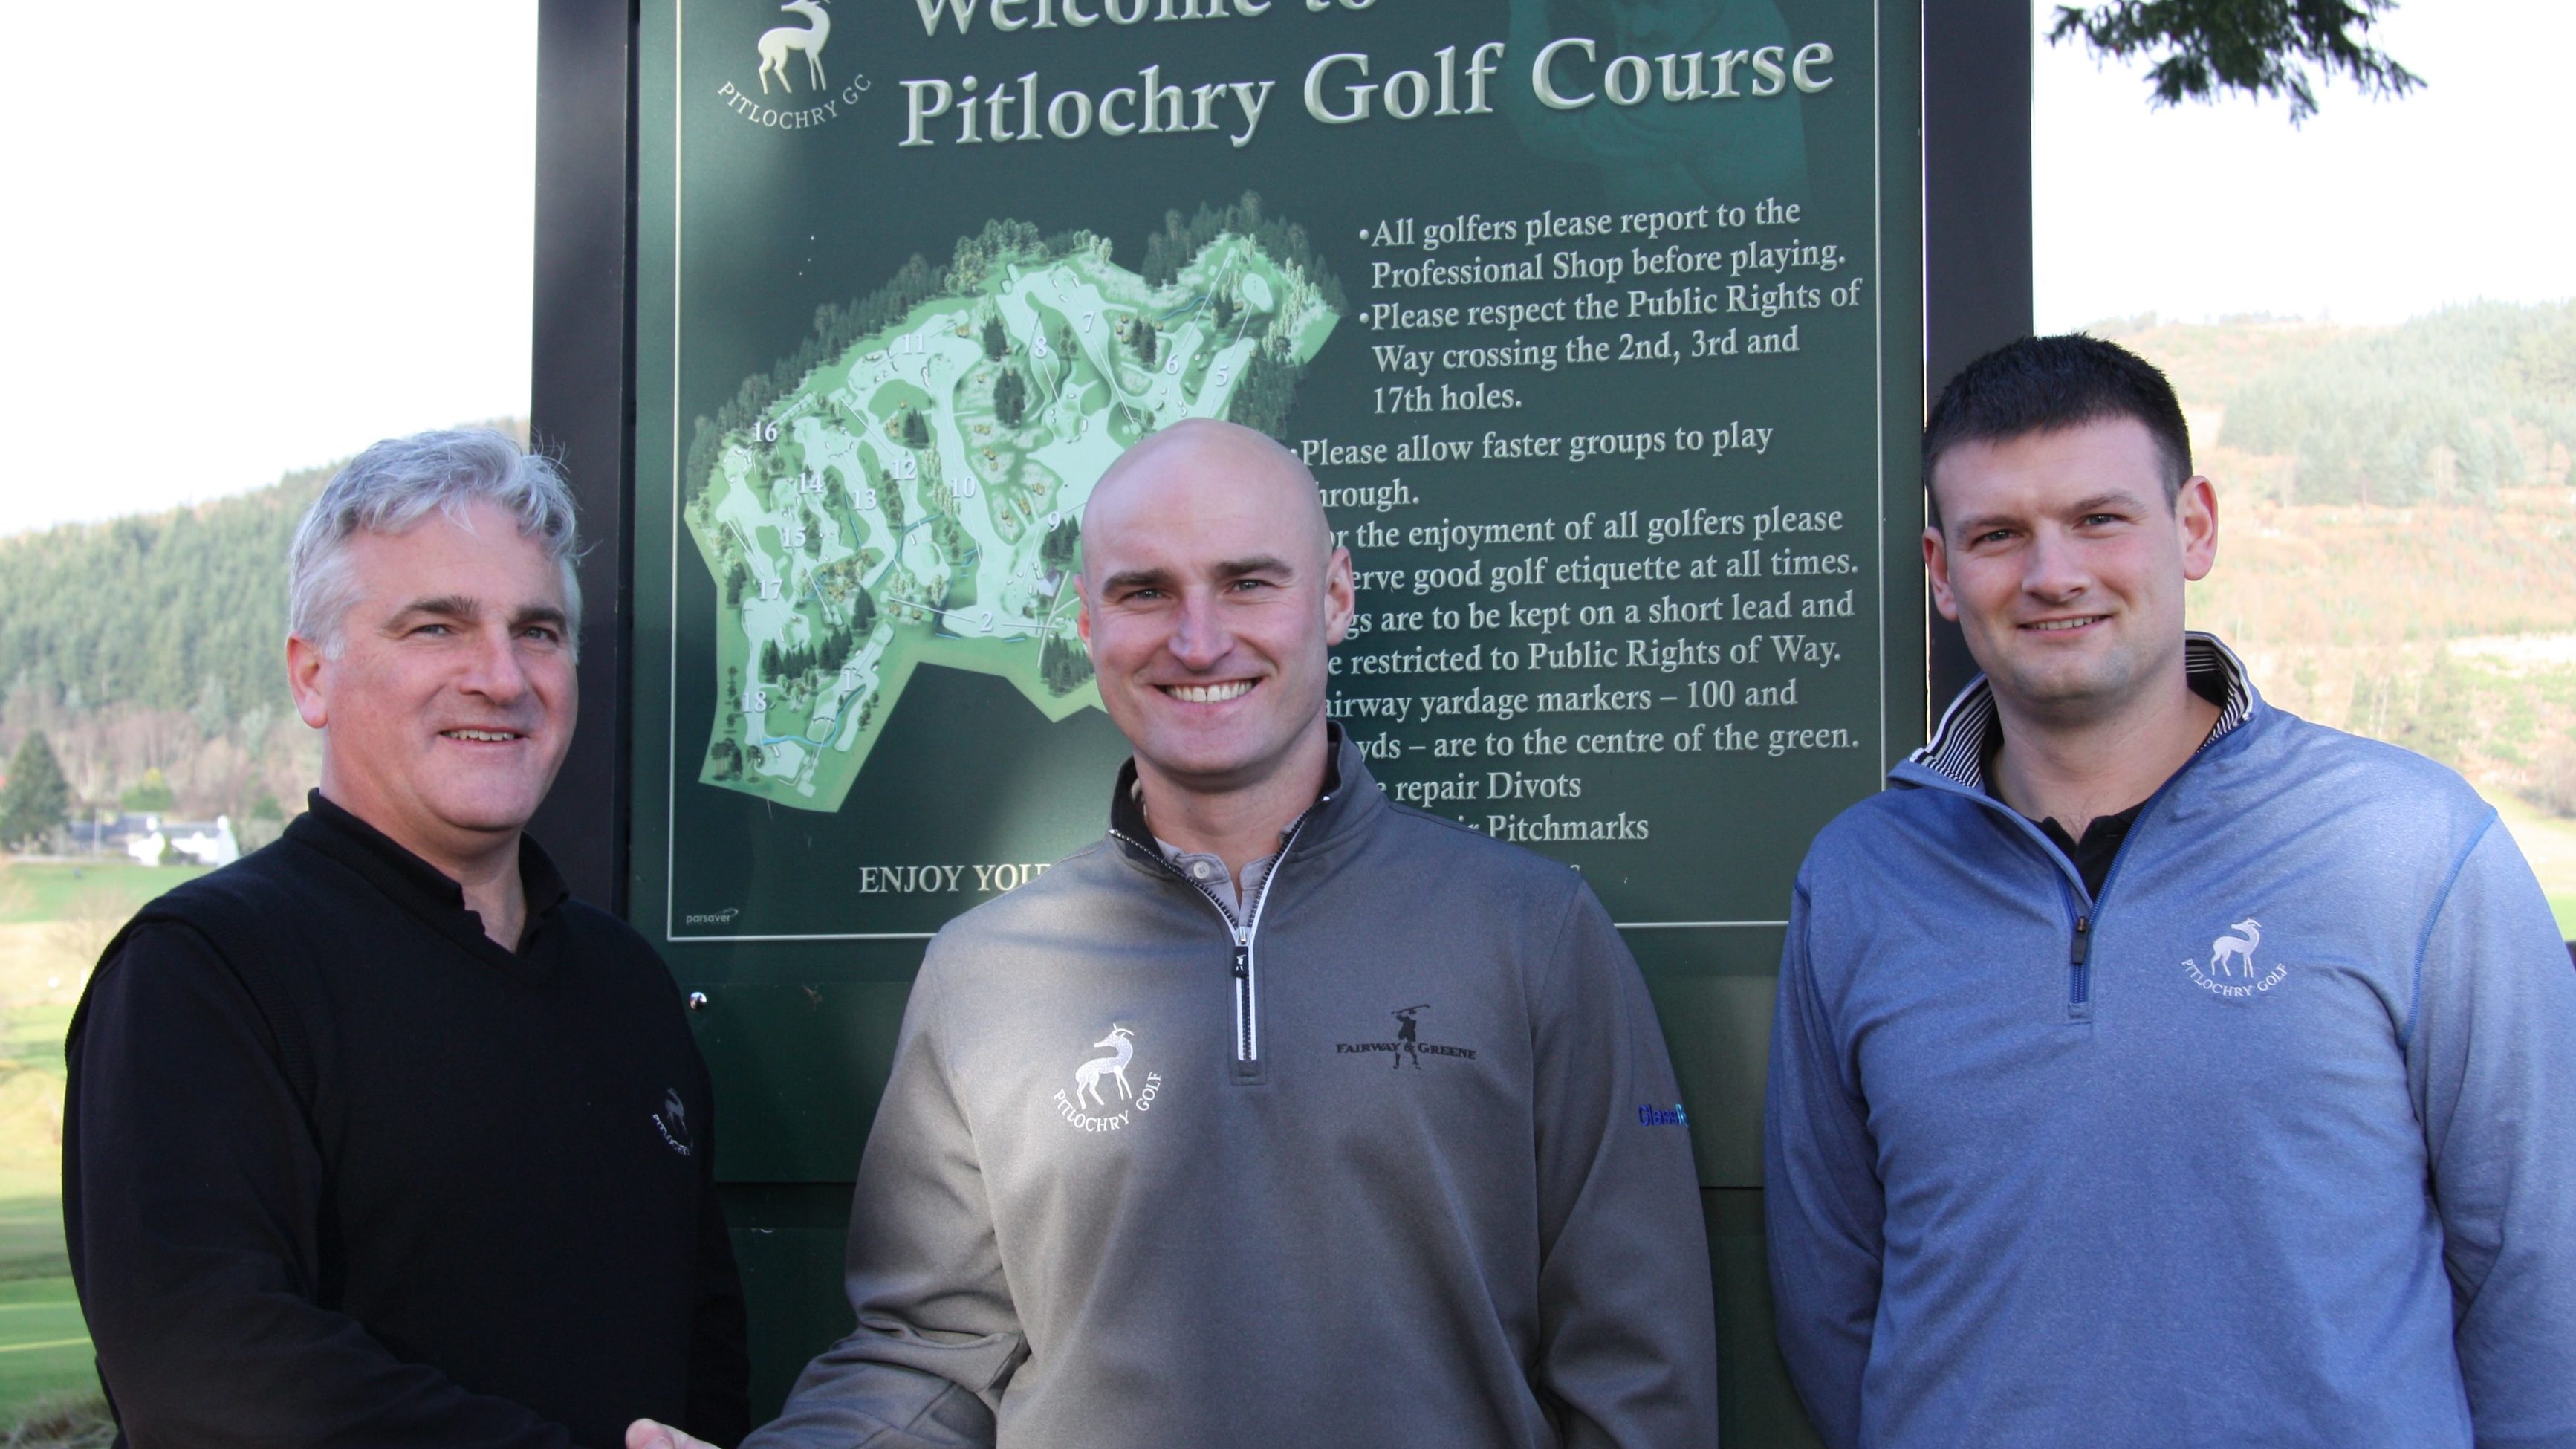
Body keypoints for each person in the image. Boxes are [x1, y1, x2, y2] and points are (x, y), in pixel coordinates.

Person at [633, 418, 1718, 1449]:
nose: (1199, 641)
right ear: (1087, 624)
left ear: (1332, 597)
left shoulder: (1529, 932)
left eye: (1248, 581)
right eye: (1145, 592)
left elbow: (1635, 1370)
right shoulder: (984, 972)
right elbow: (927, 1356)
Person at [1763, 337, 2576, 1448]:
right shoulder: (1860, 880)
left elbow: (2538, 1263)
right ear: (1940, 571)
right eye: (1997, 535)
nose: (2051, 574)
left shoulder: (2410, 845)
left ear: (2190, 527)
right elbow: (1827, 1280)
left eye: (2098, 519)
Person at [66, 430, 749, 1448]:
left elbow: (703, 1358)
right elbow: (201, 1370)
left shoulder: (627, 989)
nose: (500, 676)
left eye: (539, 631)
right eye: (436, 628)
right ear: (311, 677)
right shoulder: (204, 972)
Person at [1501, 0, 1808, 212]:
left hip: (1718, 246)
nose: (1641, 26)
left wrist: (1526, 4)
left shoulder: (1686, 99)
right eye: (1627, 4)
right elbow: (1648, 17)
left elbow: (1543, 128)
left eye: (1663, 3)